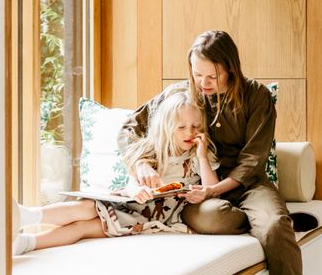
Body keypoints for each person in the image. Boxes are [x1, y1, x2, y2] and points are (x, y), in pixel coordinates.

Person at [119, 30, 316, 275]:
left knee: (271, 225)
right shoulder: (181, 95)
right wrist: (141, 165)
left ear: (231, 68)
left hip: (245, 184)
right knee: (211, 219)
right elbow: (128, 128)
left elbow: (252, 161)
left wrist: (214, 191)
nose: (203, 83)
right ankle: (276, 223)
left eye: (212, 76)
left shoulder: (257, 97)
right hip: (198, 188)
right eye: (197, 75)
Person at [13, 93, 220, 255]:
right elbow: (132, 180)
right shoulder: (151, 150)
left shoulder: (199, 155)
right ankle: (26, 216)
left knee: (82, 228)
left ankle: (25, 244)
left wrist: (202, 157)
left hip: (144, 218)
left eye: (196, 126)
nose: (189, 132)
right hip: (126, 201)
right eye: (181, 127)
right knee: (86, 208)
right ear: (166, 127)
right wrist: (137, 190)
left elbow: (212, 189)